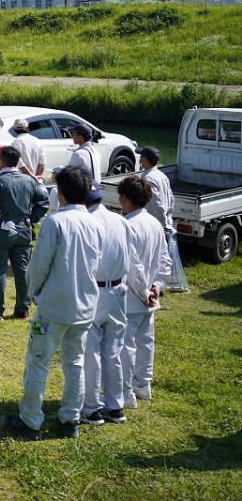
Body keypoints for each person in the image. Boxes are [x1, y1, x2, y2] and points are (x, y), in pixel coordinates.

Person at [4, 166, 102, 440]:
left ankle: (31, 420)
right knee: (75, 363)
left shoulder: (55, 222)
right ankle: (70, 418)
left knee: (38, 361)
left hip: (54, 307)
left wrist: (34, 291)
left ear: (61, 192)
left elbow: (39, 265)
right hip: (85, 305)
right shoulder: (95, 222)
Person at [0, 146, 49, 320]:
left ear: (1, 161)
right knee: (22, 270)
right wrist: (32, 217)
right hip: (24, 228)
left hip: (1, 228)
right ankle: (23, 308)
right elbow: (44, 201)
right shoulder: (29, 181)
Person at [80, 183, 132, 425]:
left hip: (96, 290)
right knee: (114, 350)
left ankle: (91, 407)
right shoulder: (119, 219)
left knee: (92, 351)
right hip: (119, 289)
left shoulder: (87, 222)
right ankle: (115, 406)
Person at [119, 174, 169, 409]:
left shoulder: (128, 226)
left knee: (127, 345)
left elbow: (132, 265)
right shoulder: (155, 224)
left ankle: (127, 391)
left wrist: (145, 291)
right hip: (150, 294)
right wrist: (157, 285)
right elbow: (164, 259)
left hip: (133, 296)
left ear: (126, 199)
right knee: (145, 342)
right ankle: (143, 384)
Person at [137, 146, 188, 293]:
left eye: (141, 157)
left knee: (152, 257)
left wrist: (163, 224)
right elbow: (171, 199)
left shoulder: (148, 178)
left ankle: (155, 286)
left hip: (156, 224)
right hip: (163, 222)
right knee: (160, 257)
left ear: (145, 160)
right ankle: (158, 285)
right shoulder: (161, 175)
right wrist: (169, 217)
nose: (140, 159)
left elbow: (156, 203)